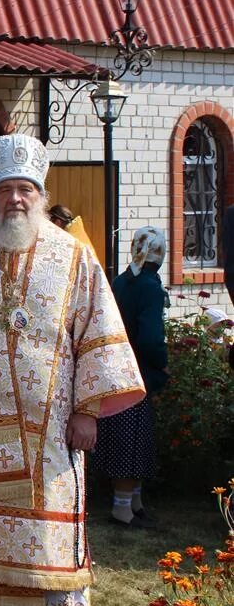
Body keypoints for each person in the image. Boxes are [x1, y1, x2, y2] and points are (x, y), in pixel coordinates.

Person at [0, 133, 145, 606]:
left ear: (41, 194)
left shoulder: (75, 258)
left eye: (25, 189)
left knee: (44, 527)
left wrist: (87, 410)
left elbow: (97, 334)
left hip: (50, 428)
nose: (15, 200)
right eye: (4, 190)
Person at [92, 226, 167, 527]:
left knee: (131, 437)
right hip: (136, 370)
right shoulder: (149, 285)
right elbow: (150, 336)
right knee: (130, 440)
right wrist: (161, 362)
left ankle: (134, 503)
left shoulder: (121, 281)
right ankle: (122, 509)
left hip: (114, 368)